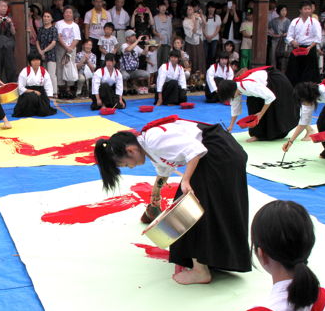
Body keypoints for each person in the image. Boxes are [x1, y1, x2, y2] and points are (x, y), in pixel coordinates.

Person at [93, 115, 250, 285]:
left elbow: (195, 151)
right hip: (221, 152)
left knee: (191, 209)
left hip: (218, 153)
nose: (130, 167)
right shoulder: (148, 144)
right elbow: (164, 167)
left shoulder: (154, 140)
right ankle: (211, 258)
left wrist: (186, 179)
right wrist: (156, 191)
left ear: (130, 150)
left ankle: (200, 270)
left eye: (125, 164)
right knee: (206, 207)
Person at [218, 66, 298, 142]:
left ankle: (307, 129)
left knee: (274, 107)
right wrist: (231, 126)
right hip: (261, 85)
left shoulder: (248, 85)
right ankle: (259, 135)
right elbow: (235, 108)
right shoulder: (235, 90)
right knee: (253, 105)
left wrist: (261, 114)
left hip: (276, 81)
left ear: (230, 92)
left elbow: (270, 97)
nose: (230, 99)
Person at [286, 0, 322, 85]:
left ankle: (309, 90)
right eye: (305, 9)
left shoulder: (314, 22)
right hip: (297, 48)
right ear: (300, 10)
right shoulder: (295, 21)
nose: (307, 11)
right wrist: (293, 41)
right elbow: (289, 36)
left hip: (310, 48)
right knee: (294, 71)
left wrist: (310, 47)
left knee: (309, 73)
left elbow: (318, 37)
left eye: (309, 9)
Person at [14, 53, 57, 118]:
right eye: (33, 60)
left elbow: (48, 85)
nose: (36, 62)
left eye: (38, 60)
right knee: (32, 97)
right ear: (30, 62)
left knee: (44, 112)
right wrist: (33, 91)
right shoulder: (25, 71)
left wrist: (48, 97)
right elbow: (20, 87)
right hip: (27, 93)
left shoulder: (43, 71)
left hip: (41, 93)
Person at [55, 6, 81, 96]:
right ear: (63, 13)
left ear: (73, 14)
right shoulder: (59, 23)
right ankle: (60, 88)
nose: (68, 14)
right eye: (66, 12)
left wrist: (70, 48)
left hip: (72, 49)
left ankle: (69, 88)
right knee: (60, 66)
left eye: (70, 12)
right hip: (61, 48)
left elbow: (77, 38)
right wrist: (66, 47)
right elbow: (59, 36)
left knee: (70, 66)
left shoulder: (75, 25)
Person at [84, 0, 111, 65]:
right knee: (93, 57)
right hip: (93, 38)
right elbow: (86, 27)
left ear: (103, 2)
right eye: (97, 1)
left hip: (104, 38)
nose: (99, 3)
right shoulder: (88, 13)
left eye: (100, 1)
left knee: (103, 58)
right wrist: (87, 40)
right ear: (93, 2)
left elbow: (110, 27)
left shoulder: (107, 13)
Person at [36, 11, 58, 92]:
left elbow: (53, 43)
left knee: (52, 74)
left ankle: (54, 92)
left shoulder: (54, 29)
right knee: (43, 74)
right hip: (41, 54)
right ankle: (46, 91)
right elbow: (37, 41)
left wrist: (44, 51)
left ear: (52, 19)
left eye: (48, 16)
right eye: (44, 16)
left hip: (51, 54)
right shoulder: (41, 29)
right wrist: (40, 51)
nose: (46, 18)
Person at [183, 3, 205, 75]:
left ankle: (200, 78)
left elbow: (204, 24)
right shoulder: (185, 21)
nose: (190, 10)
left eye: (191, 9)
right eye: (188, 9)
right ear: (186, 11)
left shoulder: (197, 17)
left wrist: (201, 15)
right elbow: (194, 31)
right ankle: (191, 77)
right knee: (192, 59)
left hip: (198, 41)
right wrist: (195, 20)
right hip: (190, 43)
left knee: (200, 59)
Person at [269, 4, 291, 72]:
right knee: (273, 56)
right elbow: (268, 29)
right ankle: (273, 70)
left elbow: (290, 31)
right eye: (282, 10)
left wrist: (284, 34)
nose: (284, 12)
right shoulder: (274, 21)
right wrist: (273, 34)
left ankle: (282, 71)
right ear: (279, 11)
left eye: (285, 10)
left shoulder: (288, 21)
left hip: (284, 41)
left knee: (283, 56)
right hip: (275, 40)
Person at [153, 2, 173, 67]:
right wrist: (158, 34)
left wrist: (171, 41)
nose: (163, 8)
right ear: (158, 8)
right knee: (157, 59)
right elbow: (153, 31)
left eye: (164, 6)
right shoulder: (155, 18)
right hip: (158, 41)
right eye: (161, 6)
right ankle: (157, 75)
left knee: (166, 59)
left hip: (167, 41)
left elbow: (171, 30)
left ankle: (164, 75)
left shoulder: (169, 18)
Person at [203, 2, 222, 69]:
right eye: (209, 7)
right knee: (205, 54)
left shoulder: (217, 17)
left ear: (215, 9)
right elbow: (202, 27)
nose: (211, 9)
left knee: (213, 54)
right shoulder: (204, 17)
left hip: (214, 38)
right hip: (205, 38)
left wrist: (212, 36)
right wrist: (206, 36)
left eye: (212, 7)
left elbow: (218, 28)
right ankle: (205, 69)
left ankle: (213, 68)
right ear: (207, 8)